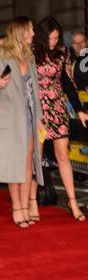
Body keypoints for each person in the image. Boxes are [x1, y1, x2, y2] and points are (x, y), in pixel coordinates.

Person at [0, 17, 44, 228]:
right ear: (20, 32)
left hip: (28, 117)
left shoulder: (29, 58)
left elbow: (35, 91)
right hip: (8, 119)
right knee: (13, 162)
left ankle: (26, 205)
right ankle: (17, 207)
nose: (33, 33)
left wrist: (39, 118)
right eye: (30, 29)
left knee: (28, 162)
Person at [29, 17, 88, 222]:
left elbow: (68, 82)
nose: (53, 42)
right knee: (36, 156)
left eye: (56, 38)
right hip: (37, 110)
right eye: (51, 38)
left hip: (57, 109)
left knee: (63, 155)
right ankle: (32, 201)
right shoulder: (31, 53)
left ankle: (72, 201)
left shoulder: (62, 53)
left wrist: (79, 110)